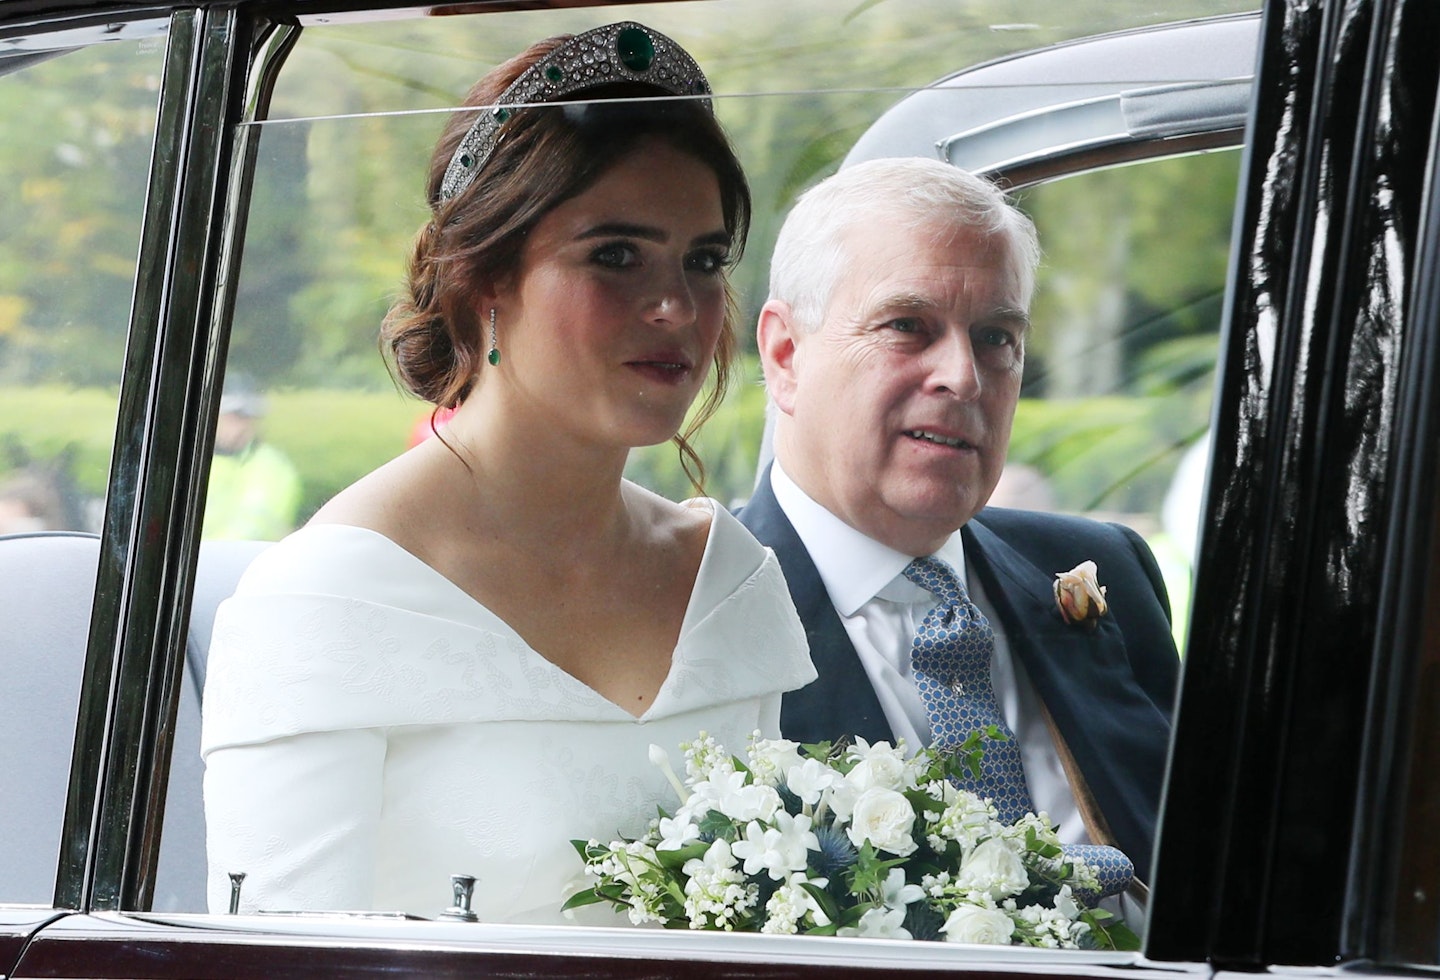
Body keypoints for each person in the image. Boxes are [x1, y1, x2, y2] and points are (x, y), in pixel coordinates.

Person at [200, 22, 814, 923]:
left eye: (705, 259)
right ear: (486, 281)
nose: (677, 306)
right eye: (615, 255)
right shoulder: (328, 596)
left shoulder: (726, 581)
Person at [738, 158, 1179, 900]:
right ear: (786, 355)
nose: (964, 377)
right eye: (907, 326)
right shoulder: (695, 614)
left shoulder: (1105, 568)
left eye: (997, 338)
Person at [201, 374, 303, 540]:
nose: (241, 426)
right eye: (233, 416)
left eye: (249, 417)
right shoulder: (189, 458)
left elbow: (256, 524)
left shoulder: (271, 466)